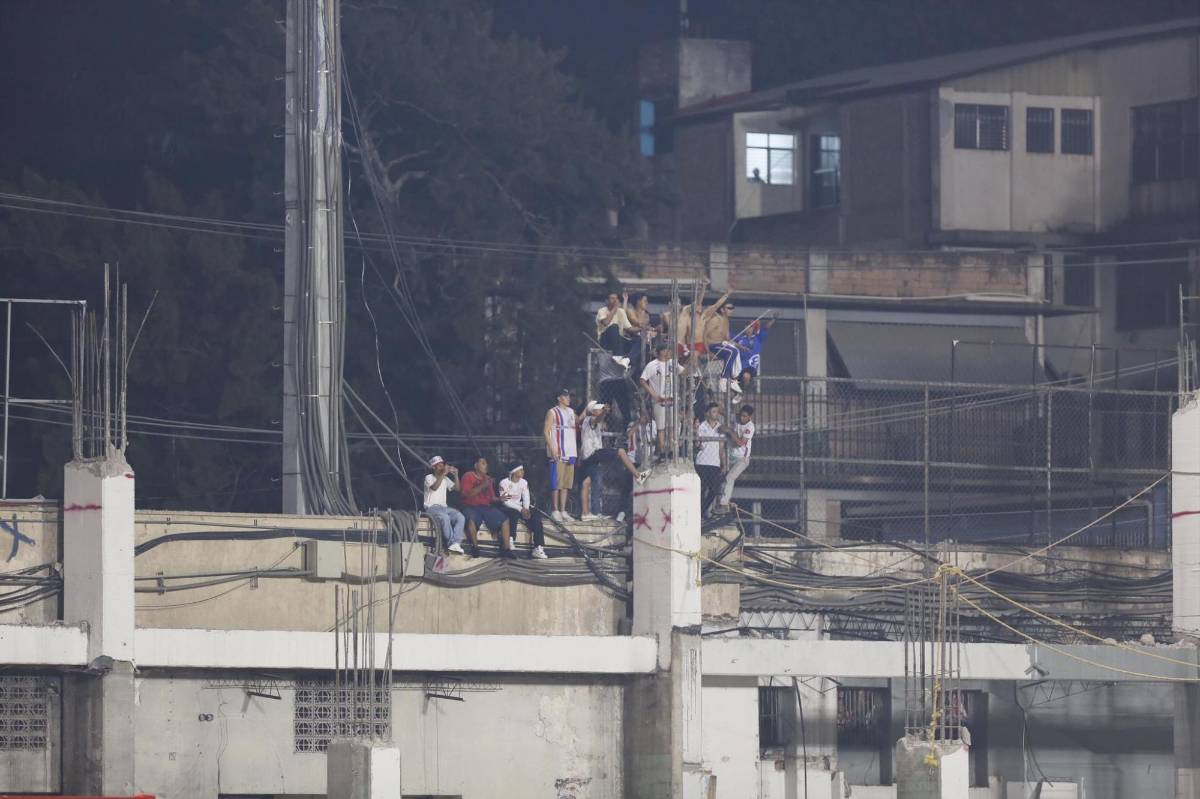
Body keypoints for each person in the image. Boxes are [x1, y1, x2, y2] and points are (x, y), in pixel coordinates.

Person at [578, 401, 649, 519]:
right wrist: (604, 413)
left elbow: (598, 422)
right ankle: (638, 476)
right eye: (599, 409)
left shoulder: (588, 421)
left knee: (586, 482)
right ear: (594, 411)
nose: (602, 411)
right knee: (621, 452)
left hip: (587, 456)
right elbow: (596, 420)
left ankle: (585, 513)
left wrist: (603, 416)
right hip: (593, 453)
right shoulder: (590, 419)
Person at [459, 456, 515, 559]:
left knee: (505, 520)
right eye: (483, 463)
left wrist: (499, 499)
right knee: (471, 520)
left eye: (486, 463)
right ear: (476, 465)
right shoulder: (468, 476)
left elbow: (491, 498)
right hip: (470, 506)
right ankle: (475, 548)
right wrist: (483, 485)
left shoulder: (487, 479)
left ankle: (507, 549)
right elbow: (467, 495)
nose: (486, 466)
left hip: (485, 507)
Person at [543, 388, 578, 522]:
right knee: (556, 482)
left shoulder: (571, 412)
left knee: (566, 483)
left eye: (569, 396)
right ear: (559, 398)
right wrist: (552, 448)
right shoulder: (552, 412)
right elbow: (546, 431)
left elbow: (578, 421)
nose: (569, 398)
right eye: (566, 396)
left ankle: (563, 510)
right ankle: (555, 510)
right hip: (558, 451)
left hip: (570, 451)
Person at [640, 344, 682, 454]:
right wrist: (653, 395)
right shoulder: (652, 365)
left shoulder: (673, 363)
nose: (669, 352)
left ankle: (672, 449)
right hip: (660, 400)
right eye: (667, 350)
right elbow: (643, 380)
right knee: (661, 426)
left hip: (672, 398)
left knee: (672, 426)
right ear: (662, 351)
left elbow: (683, 372)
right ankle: (663, 450)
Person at [499, 465, 548, 559]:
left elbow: (526, 497)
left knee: (536, 517)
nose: (523, 472)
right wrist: (521, 509)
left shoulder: (524, 482)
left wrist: (526, 509)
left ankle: (538, 547)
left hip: (521, 507)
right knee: (513, 513)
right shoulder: (504, 482)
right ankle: (511, 540)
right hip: (507, 507)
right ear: (514, 472)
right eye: (521, 470)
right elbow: (506, 501)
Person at [423, 456, 466, 554]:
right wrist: (443, 474)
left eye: (443, 465)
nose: (442, 467)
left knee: (460, 517)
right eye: (439, 466)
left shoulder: (445, 479)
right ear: (433, 467)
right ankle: (451, 543)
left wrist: (455, 475)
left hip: (444, 507)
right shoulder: (429, 477)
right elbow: (434, 488)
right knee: (445, 517)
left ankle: (456, 543)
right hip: (431, 507)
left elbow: (457, 489)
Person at [717, 404, 755, 513]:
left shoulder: (750, 427)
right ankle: (717, 503)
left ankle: (723, 504)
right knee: (719, 477)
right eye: (741, 416)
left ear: (749, 417)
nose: (742, 418)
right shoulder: (736, 418)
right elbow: (723, 411)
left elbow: (740, 443)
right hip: (730, 456)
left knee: (729, 478)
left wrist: (729, 431)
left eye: (745, 416)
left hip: (742, 459)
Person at [695, 402, 724, 517]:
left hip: (714, 463)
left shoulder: (720, 428)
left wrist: (723, 463)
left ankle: (702, 511)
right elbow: (698, 444)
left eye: (717, 412)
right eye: (713, 411)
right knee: (701, 489)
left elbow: (721, 447)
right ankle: (698, 512)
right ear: (707, 413)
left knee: (714, 490)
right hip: (702, 462)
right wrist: (696, 432)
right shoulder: (701, 426)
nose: (716, 414)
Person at [595, 291, 634, 359]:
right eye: (612, 298)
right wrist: (615, 309)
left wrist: (642, 328)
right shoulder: (602, 311)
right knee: (614, 327)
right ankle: (618, 357)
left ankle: (628, 360)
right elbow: (606, 323)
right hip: (605, 340)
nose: (615, 300)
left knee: (638, 341)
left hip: (619, 339)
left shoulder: (621, 311)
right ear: (607, 301)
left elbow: (629, 328)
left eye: (616, 298)